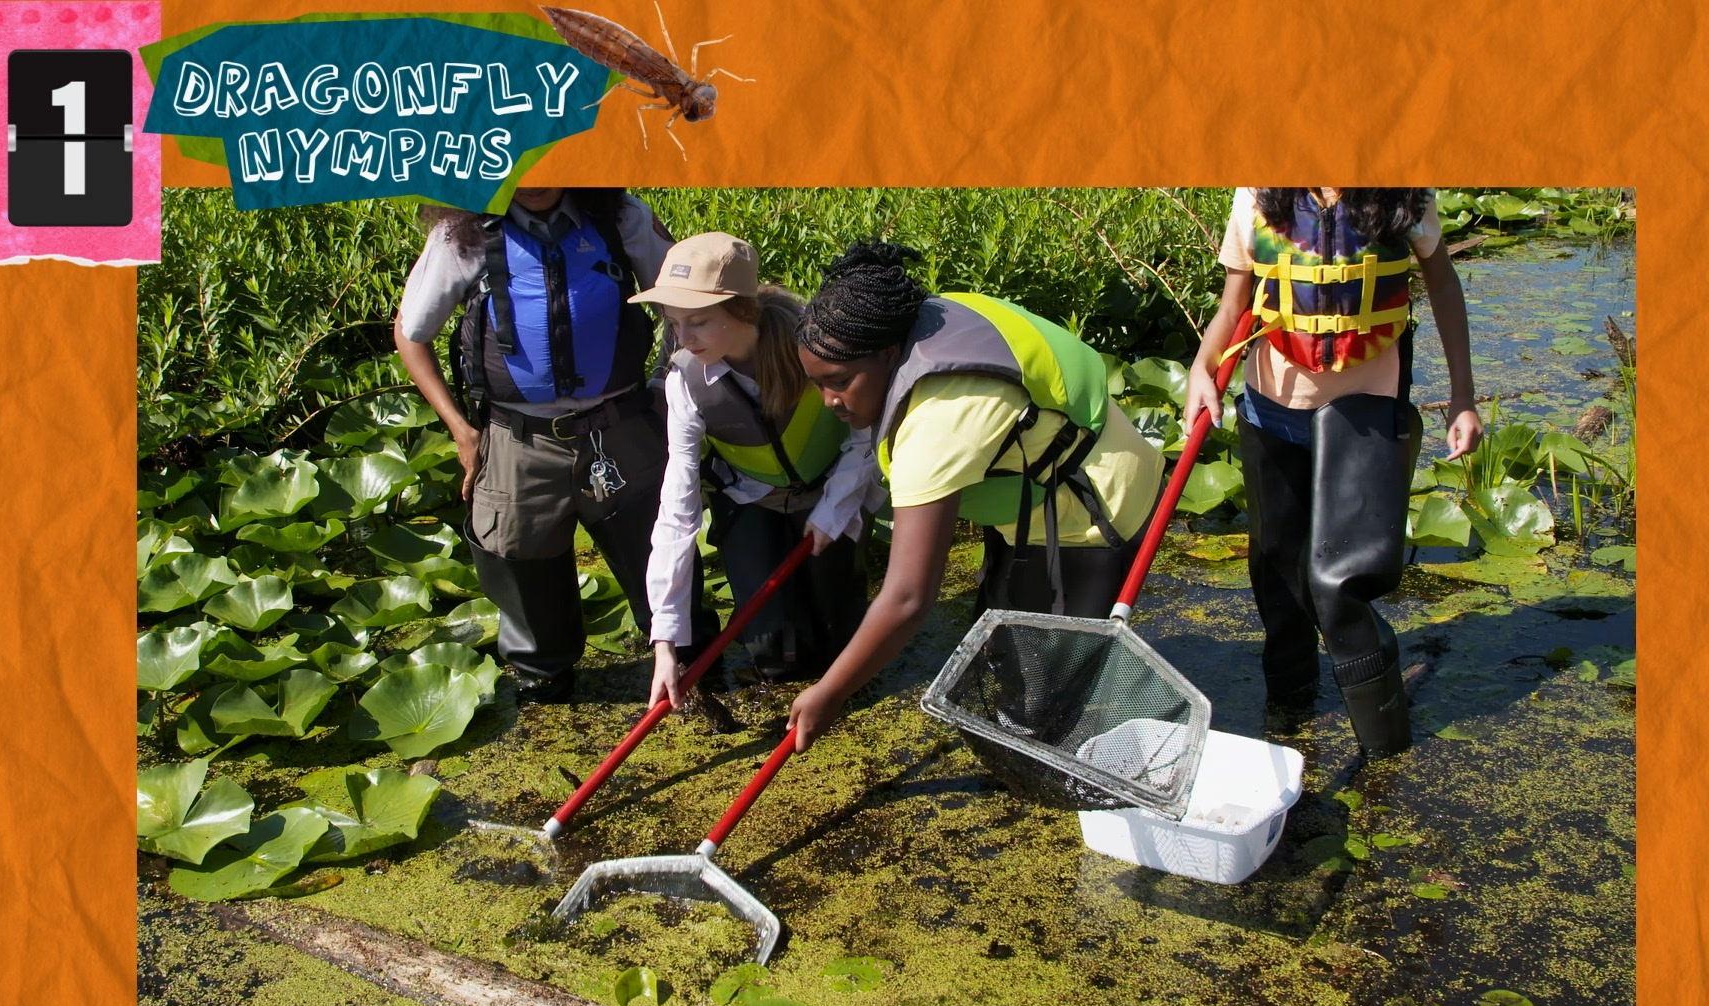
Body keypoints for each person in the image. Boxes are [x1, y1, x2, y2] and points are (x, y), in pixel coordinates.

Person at [785, 241, 1167, 751]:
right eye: (816, 383)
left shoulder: (940, 422)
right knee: (999, 645)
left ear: (886, 353)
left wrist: (830, 691)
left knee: (1040, 701)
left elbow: (907, 598)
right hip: (1043, 494)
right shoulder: (934, 316)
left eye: (839, 382)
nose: (829, 401)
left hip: (1094, 513)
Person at [1183, 187, 1482, 755]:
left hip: (1365, 412)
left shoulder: (1406, 196)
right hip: (1270, 410)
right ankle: (1289, 723)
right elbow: (1234, 303)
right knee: (1277, 574)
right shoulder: (1257, 195)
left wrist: (1463, 397)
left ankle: (1385, 747)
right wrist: (1203, 367)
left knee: (1342, 583)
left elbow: (1443, 286)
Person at [392, 187, 710, 702]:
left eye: (552, 162)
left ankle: (694, 671)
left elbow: (685, 300)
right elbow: (411, 333)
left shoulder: (620, 216)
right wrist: (461, 429)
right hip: (517, 439)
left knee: (663, 557)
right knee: (522, 573)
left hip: (621, 427)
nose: (538, 180)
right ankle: (546, 684)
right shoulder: (462, 235)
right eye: (523, 164)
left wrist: (663, 386)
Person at [630, 233, 883, 711]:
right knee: (772, 651)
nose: (682, 340)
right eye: (674, 323)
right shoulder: (684, 379)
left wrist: (833, 508)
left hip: (831, 489)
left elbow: (864, 436)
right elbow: (677, 508)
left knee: (839, 634)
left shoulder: (812, 348)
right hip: (751, 498)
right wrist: (665, 643)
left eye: (700, 322)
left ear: (742, 311)